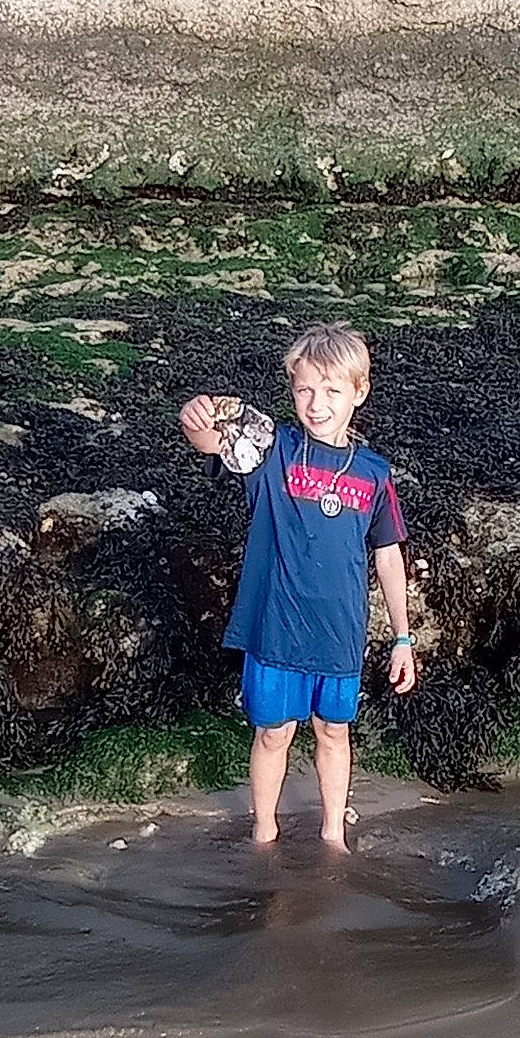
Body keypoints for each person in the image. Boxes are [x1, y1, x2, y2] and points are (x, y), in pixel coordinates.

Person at [179, 322, 417, 848]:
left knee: (334, 732)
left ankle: (333, 832)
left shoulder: (374, 473)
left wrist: (402, 638)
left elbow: (387, 553)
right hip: (275, 629)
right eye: (305, 389)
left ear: (359, 392)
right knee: (274, 733)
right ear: (292, 389)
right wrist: (196, 415)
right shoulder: (272, 450)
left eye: (332, 390)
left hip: (339, 634)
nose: (316, 403)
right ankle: (264, 830)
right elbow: (213, 436)